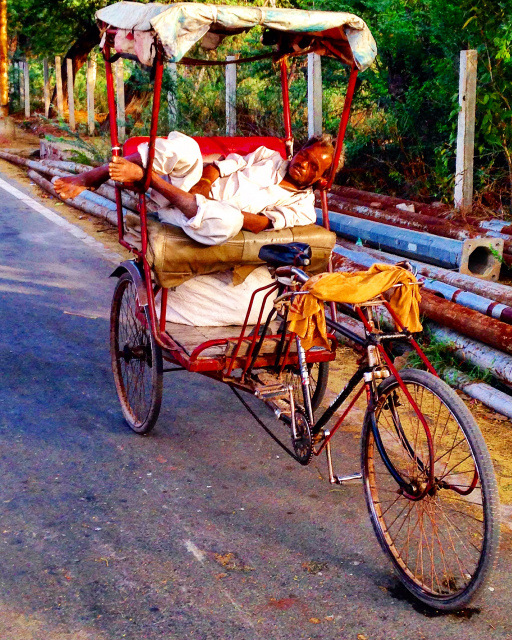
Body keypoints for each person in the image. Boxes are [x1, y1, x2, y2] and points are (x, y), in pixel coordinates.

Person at [54, 131, 337, 246]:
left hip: (202, 220)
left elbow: (260, 223)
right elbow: (219, 166)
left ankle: (146, 177)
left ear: (321, 180)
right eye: (304, 155)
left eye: (313, 167)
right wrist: (203, 183)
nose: (303, 164)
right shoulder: (269, 156)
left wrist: (214, 206)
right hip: (190, 187)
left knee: (230, 219)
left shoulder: (303, 209)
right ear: (299, 150)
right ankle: (96, 175)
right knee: (187, 147)